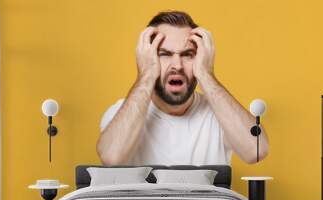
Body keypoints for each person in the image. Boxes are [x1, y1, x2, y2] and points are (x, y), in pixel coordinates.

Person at [97, 11, 269, 166]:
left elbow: (257, 150)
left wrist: (206, 75)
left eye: (187, 55)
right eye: (164, 54)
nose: (177, 66)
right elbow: (111, 158)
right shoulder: (122, 111)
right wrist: (146, 75)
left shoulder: (219, 113)